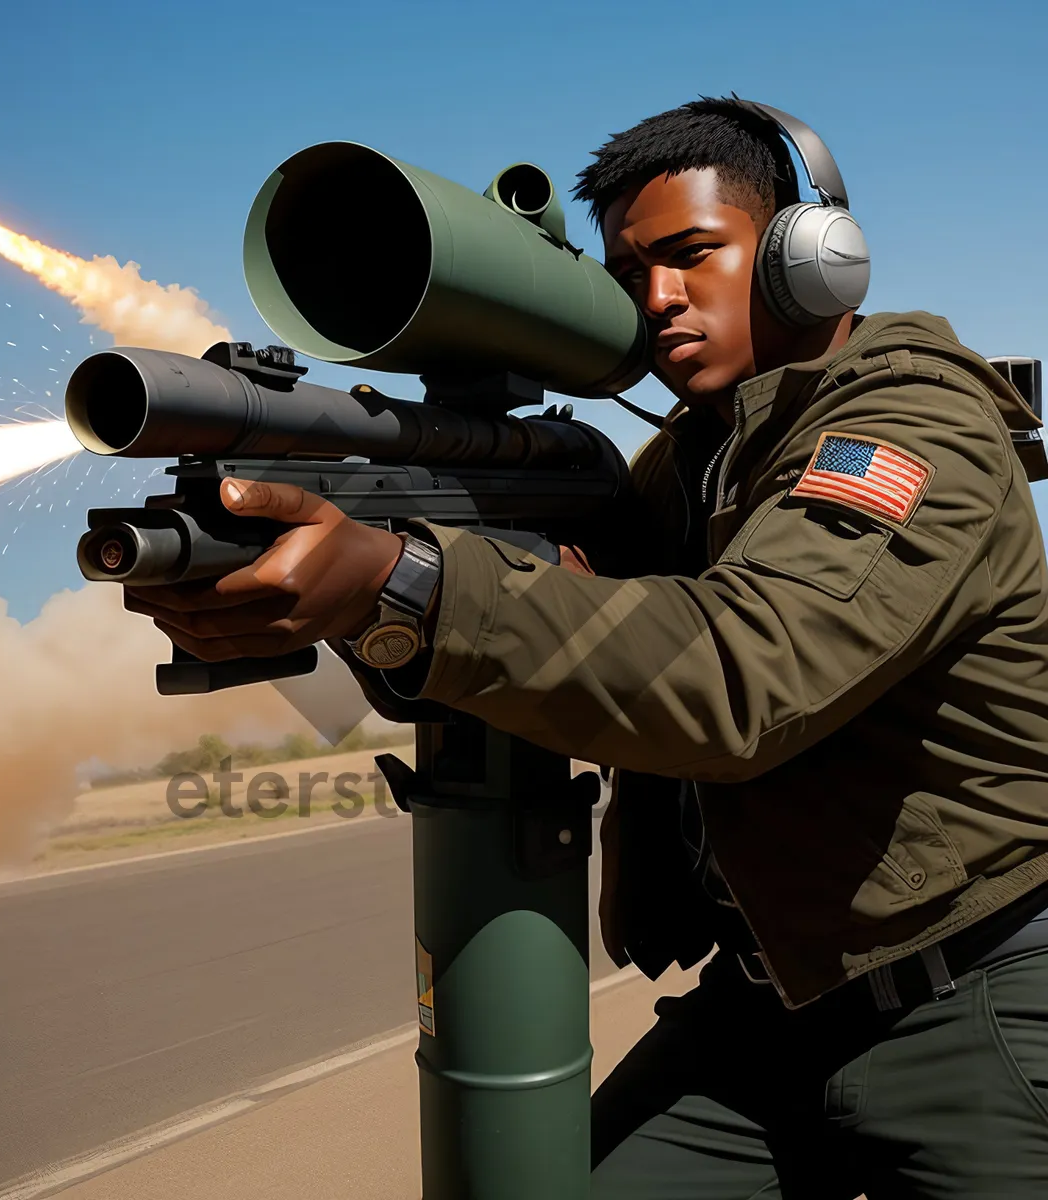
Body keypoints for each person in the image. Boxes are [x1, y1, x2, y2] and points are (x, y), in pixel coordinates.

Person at [123, 98, 1048, 1196]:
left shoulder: (911, 424)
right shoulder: (687, 468)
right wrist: (341, 590)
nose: (656, 301)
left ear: (814, 256)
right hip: (766, 1006)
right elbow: (565, 645)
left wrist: (406, 580)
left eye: (693, 254)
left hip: (970, 999)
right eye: (625, 275)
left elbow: (738, 676)